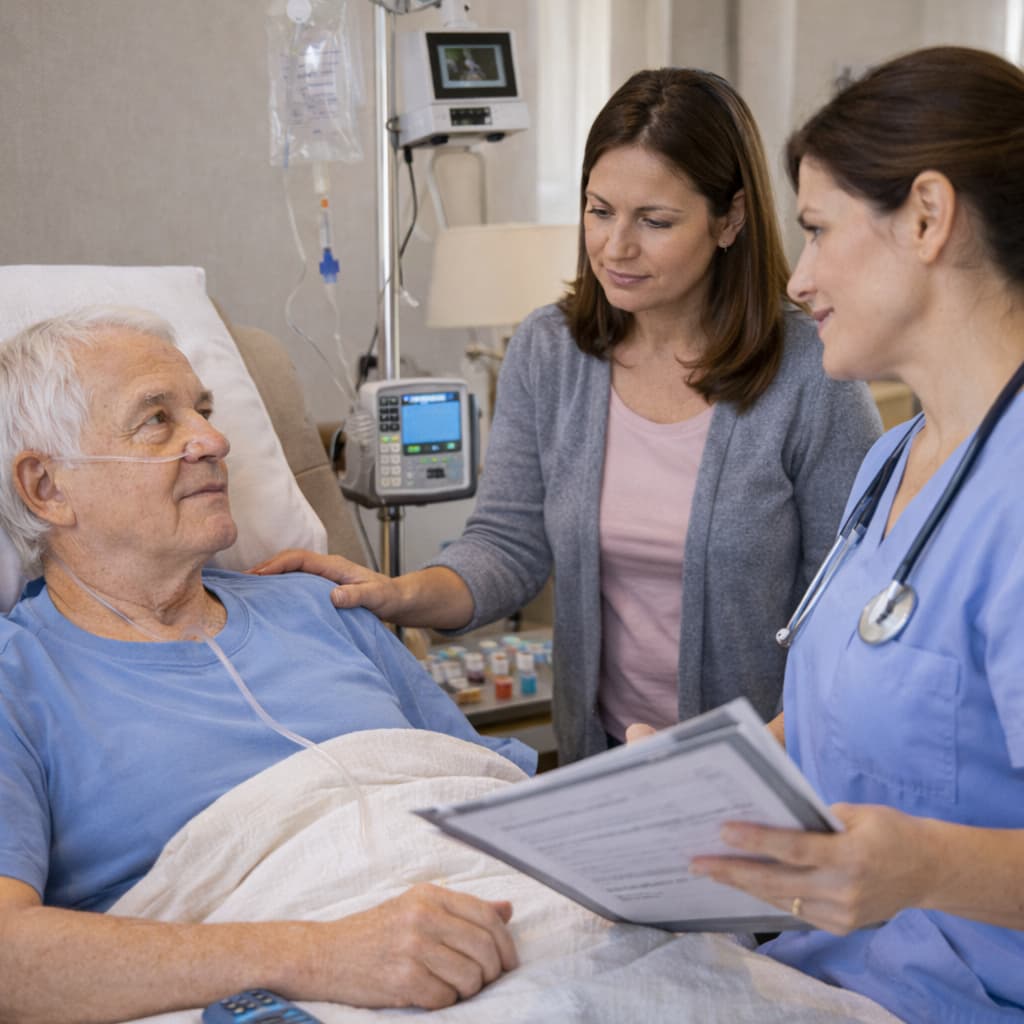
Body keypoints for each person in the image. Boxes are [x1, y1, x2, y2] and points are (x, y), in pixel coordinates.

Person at [257, 67, 881, 765]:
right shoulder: (550, 350)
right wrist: (397, 594)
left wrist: (762, 760)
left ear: (730, 218)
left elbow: (848, 612)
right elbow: (508, 544)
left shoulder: (809, 373)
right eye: (599, 209)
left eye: (655, 221)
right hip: (603, 753)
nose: (616, 247)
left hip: (771, 762)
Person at [0, 307, 536, 1023]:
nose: (214, 440)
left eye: (205, 410)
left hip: (513, 922)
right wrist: (320, 955)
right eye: (158, 420)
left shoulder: (323, 606)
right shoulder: (18, 681)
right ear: (46, 487)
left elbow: (498, 798)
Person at [653, 46, 1024, 1024]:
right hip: (822, 971)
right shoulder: (891, 460)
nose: (799, 277)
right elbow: (848, 719)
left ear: (929, 217)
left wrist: (925, 865)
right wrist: (695, 775)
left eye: (817, 230)